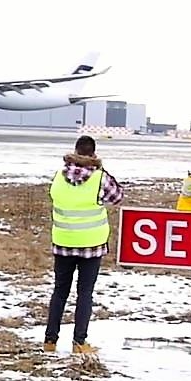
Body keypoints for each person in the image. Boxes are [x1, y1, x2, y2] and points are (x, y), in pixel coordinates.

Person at [44, 135, 124, 354]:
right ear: (93, 153)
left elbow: (54, 197)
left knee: (59, 292)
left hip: (63, 243)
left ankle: (50, 341)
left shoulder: (58, 176)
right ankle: (79, 342)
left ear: (75, 151)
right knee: (84, 294)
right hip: (91, 245)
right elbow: (118, 197)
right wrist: (101, 169)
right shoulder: (100, 178)